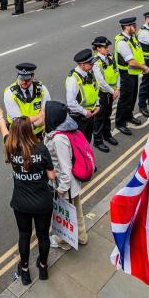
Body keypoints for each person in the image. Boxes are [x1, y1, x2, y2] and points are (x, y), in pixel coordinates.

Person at [0, 113, 54, 285]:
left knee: (24, 235)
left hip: (21, 203)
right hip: (42, 202)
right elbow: (51, 175)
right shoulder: (41, 149)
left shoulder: (11, 147)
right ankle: (43, 267)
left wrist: (0, 116)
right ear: (30, 130)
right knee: (43, 236)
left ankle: (24, 271)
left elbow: (4, 131)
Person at [44, 101, 88, 250]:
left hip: (65, 186)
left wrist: (61, 189)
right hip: (73, 184)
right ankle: (81, 236)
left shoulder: (58, 139)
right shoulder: (67, 130)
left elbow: (65, 167)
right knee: (76, 210)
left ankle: (64, 242)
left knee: (64, 216)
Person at [114, 16, 149, 135]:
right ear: (126, 27)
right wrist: (144, 67)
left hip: (133, 73)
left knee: (133, 97)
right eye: (133, 26)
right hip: (126, 75)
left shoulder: (132, 38)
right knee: (125, 99)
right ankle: (120, 123)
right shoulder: (122, 43)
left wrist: (142, 65)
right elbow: (131, 61)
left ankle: (129, 116)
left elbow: (138, 54)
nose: (135, 27)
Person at [2, 63, 50, 137]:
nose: (24, 82)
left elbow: (47, 112)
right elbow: (19, 122)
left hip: (39, 133)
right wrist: (39, 116)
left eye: (27, 79)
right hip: (20, 134)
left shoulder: (42, 89)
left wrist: (35, 124)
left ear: (33, 77)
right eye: (21, 78)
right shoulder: (9, 93)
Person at [65, 48, 101, 142]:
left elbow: (95, 89)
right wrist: (85, 113)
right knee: (79, 143)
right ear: (82, 65)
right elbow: (71, 103)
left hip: (90, 114)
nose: (93, 65)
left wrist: (97, 104)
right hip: (79, 118)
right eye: (90, 63)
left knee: (87, 140)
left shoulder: (89, 73)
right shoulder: (73, 79)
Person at [91, 36, 119, 153]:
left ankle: (107, 135)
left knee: (107, 115)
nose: (108, 49)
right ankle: (98, 141)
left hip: (111, 93)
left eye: (108, 46)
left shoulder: (111, 58)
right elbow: (101, 82)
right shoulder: (96, 62)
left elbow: (117, 72)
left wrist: (117, 87)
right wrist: (113, 91)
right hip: (102, 94)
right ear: (98, 48)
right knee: (99, 118)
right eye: (105, 47)